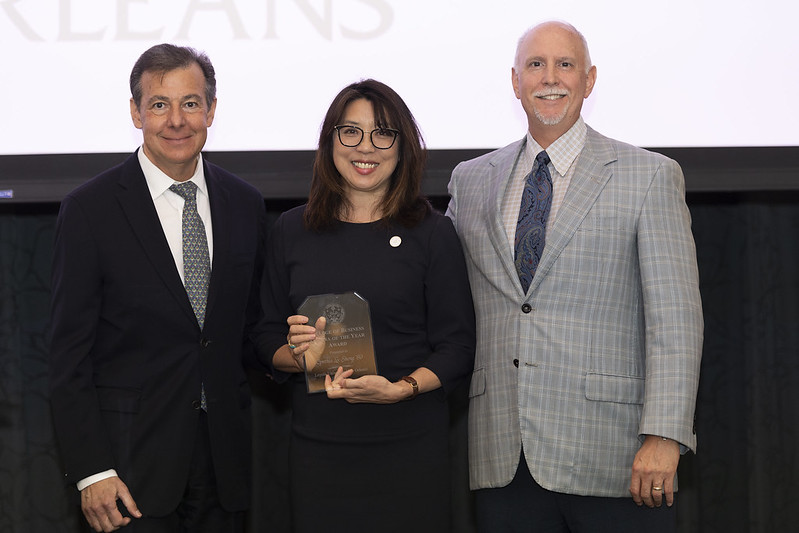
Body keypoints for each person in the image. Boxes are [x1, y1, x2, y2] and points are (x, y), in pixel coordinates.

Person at [446, 21, 703, 532]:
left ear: (589, 80)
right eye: (535, 65)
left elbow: (676, 320)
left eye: (565, 65)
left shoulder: (648, 174)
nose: (550, 78)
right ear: (515, 80)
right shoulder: (471, 180)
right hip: (504, 456)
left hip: (617, 457)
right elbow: (437, 291)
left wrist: (665, 435)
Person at [49, 44, 270, 532]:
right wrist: (92, 471)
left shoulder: (245, 203)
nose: (177, 120)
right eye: (159, 104)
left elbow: (249, 331)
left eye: (190, 103)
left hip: (226, 467)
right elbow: (68, 357)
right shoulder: (90, 210)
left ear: (211, 110)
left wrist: (296, 352)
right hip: (128, 474)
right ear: (135, 112)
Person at [258, 79, 475, 532]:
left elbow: (457, 346)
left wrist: (401, 389)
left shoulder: (433, 234)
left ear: (402, 147)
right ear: (330, 141)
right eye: (350, 131)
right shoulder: (290, 230)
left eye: (383, 133)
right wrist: (299, 356)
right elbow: (263, 340)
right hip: (319, 450)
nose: (366, 147)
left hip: (410, 447)